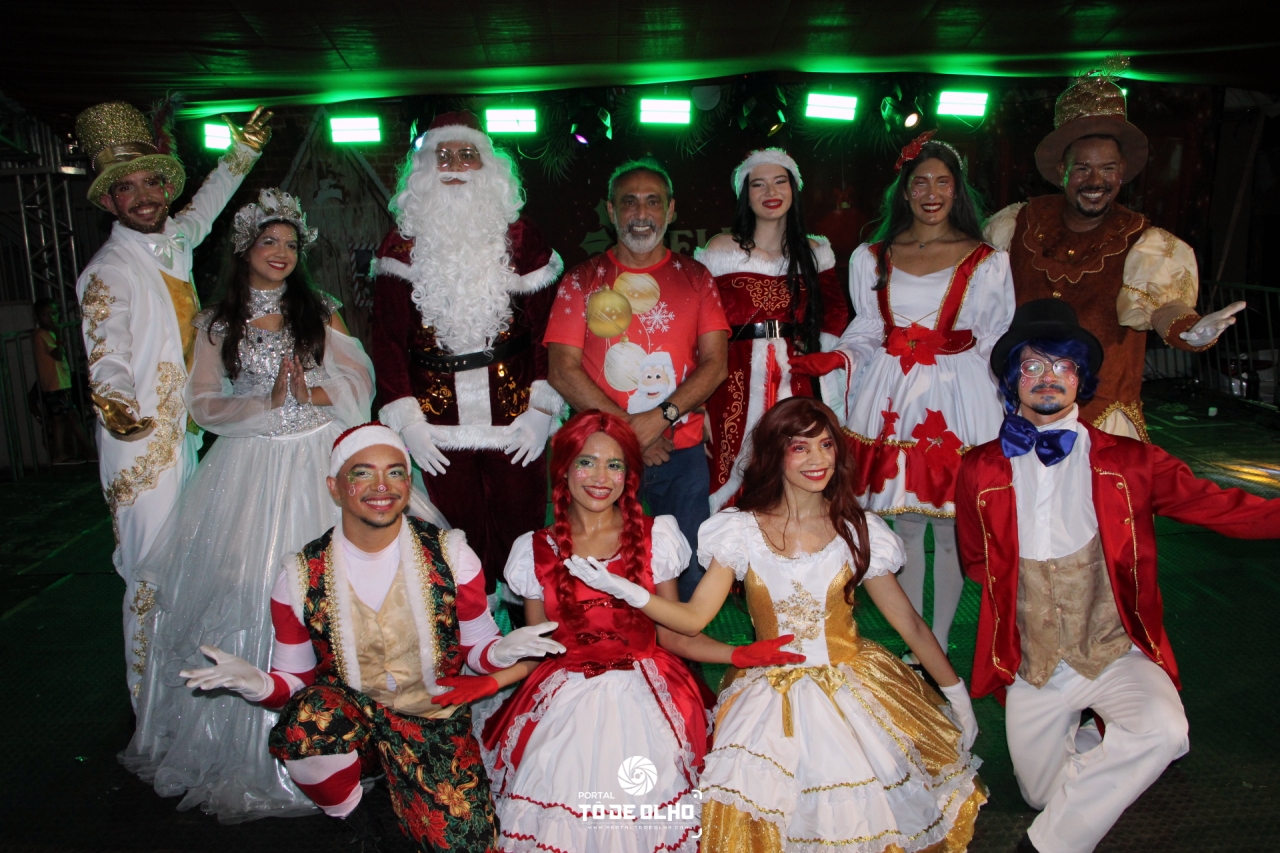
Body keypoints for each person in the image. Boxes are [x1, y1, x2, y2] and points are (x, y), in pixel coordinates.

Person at [121, 190, 430, 820]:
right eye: (269, 242)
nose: (281, 254)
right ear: (244, 250)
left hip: (320, 458)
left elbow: (361, 380)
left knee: (345, 589)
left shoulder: (322, 308)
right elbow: (203, 401)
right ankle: (253, 749)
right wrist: (265, 407)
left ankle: (358, 745)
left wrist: (315, 392)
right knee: (249, 588)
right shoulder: (216, 323)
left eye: (290, 245)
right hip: (251, 467)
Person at [568, 397, 985, 852]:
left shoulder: (858, 530)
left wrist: (955, 693)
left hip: (855, 688)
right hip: (768, 696)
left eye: (825, 445)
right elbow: (692, 619)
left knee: (858, 813)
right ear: (774, 454)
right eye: (800, 447)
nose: (818, 459)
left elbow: (910, 624)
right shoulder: (741, 530)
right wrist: (635, 593)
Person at [955, 298, 1280, 853]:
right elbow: (976, 561)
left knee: (1163, 730)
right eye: (1032, 366)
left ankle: (1044, 846)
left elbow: (1222, 506)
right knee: (1042, 793)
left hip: (1114, 651)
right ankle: (1094, 739)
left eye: (1061, 365)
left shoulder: (1131, 461)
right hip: (1035, 665)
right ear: (1013, 381)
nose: (1047, 378)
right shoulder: (979, 466)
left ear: (1081, 378)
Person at [178, 423, 565, 848]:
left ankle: (405, 789)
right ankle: (356, 818)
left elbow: (477, 649)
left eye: (396, 472)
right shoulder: (299, 576)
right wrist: (258, 685)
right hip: (351, 715)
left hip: (430, 715)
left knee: (470, 843)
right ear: (335, 486)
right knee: (305, 723)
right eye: (363, 472)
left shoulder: (452, 555)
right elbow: (294, 683)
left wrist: (502, 651)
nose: (382, 486)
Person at [481, 410, 800, 852]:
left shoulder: (656, 538)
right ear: (564, 468)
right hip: (564, 701)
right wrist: (488, 677)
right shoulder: (533, 549)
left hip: (649, 696)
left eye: (615, 465)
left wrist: (737, 654)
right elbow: (540, 653)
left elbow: (671, 632)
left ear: (629, 475)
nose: (600, 477)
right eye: (586, 462)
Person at [73, 99, 271, 702]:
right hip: (139, 445)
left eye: (149, 181)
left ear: (163, 183)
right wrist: (112, 399)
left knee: (194, 567)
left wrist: (242, 155)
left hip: (187, 433)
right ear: (108, 202)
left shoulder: (173, 241)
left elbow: (207, 205)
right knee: (149, 573)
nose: (141, 197)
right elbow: (104, 342)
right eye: (124, 189)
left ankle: (187, 693)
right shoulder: (108, 269)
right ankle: (149, 703)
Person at [793, 132, 1015, 657]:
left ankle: (936, 642)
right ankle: (917, 643)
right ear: (905, 191)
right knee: (907, 526)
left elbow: (995, 336)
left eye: (943, 182)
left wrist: (1005, 408)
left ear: (958, 191)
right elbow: (870, 329)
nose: (931, 193)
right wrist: (842, 357)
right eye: (921, 183)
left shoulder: (987, 260)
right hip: (892, 395)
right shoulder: (873, 258)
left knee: (955, 528)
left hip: (959, 398)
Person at [983, 57, 1243, 441]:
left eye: (1108, 169)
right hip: (1019, 413)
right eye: (1083, 168)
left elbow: (1162, 306)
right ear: (1062, 171)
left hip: (1103, 419)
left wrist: (1190, 330)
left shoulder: (1144, 241)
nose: (1096, 181)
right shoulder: (1017, 225)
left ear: (1122, 173)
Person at [372, 110, 564, 594]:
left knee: (523, 527)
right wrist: (408, 422)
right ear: (424, 169)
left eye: (467, 155)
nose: (455, 166)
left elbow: (549, 329)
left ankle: (525, 620)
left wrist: (543, 407)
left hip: (515, 413)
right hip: (438, 422)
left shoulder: (525, 238)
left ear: (490, 167)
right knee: (451, 531)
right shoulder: (400, 244)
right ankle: (467, 625)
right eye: (444, 155)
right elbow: (388, 340)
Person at [546, 157, 730, 600]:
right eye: (630, 202)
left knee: (685, 568)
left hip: (679, 453)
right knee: (590, 567)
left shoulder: (697, 278)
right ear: (611, 211)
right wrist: (632, 431)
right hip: (598, 456)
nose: (641, 214)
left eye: (653, 202)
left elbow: (716, 365)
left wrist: (660, 418)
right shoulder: (581, 280)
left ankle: (680, 663)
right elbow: (562, 369)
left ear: (672, 210)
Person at [694, 148, 850, 511]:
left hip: (798, 379)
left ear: (794, 189)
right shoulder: (720, 249)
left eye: (780, 181)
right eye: (758, 184)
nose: (770, 192)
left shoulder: (815, 251)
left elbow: (834, 315)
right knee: (736, 473)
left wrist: (823, 369)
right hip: (732, 381)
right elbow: (701, 329)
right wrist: (698, 403)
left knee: (797, 466)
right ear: (744, 194)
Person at [32, 297, 95, 464]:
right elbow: (57, 354)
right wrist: (59, 335)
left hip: (60, 382)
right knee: (70, 416)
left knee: (62, 419)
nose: (51, 318)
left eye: (53, 313)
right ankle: (88, 452)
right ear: (38, 317)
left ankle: (64, 453)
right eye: (45, 315)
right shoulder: (42, 335)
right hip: (54, 384)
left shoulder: (49, 333)